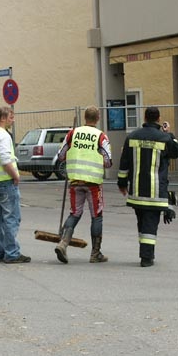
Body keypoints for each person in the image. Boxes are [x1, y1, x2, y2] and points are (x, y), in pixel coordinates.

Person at [118, 107, 178, 267]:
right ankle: (146, 257)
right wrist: (170, 134)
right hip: (155, 192)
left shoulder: (132, 137)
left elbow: (124, 163)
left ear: (145, 118)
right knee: (150, 225)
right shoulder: (164, 138)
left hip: (137, 191)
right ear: (159, 119)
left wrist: (122, 183)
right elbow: (177, 151)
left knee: (142, 223)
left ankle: (145, 252)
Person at [54, 106, 112, 264]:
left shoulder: (72, 134)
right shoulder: (101, 136)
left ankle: (63, 243)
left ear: (85, 117)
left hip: (75, 181)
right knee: (96, 216)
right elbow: (108, 161)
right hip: (93, 183)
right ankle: (95, 253)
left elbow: (60, 156)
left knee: (75, 213)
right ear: (98, 118)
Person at [0, 106, 31, 264]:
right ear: (2, 118)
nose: (13, 120)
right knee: (11, 218)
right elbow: (5, 159)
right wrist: (15, 175)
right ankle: (12, 253)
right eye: (11, 117)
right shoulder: (3, 135)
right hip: (5, 181)